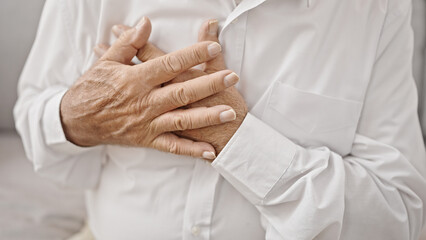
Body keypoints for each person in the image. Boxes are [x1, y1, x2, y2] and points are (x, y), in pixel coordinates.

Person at [14, 0, 426, 239]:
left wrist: (237, 140)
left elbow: (398, 216)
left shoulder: (376, 10)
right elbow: (35, 117)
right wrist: (84, 116)